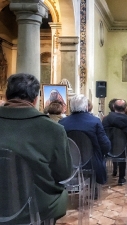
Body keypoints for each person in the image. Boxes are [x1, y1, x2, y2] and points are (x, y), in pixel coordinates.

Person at [0, 73, 72, 223]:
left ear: (6, 97)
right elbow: (64, 174)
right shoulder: (53, 129)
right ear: (35, 99)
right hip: (35, 206)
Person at [59, 94, 111, 184]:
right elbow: (105, 145)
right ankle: (94, 190)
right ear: (86, 107)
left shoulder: (62, 123)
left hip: (70, 162)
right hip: (92, 163)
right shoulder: (95, 121)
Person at [102, 99, 127, 185]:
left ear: (113, 107)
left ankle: (109, 173)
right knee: (124, 148)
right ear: (126, 109)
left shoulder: (106, 119)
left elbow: (102, 134)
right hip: (124, 150)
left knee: (113, 145)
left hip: (108, 150)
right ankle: (121, 178)